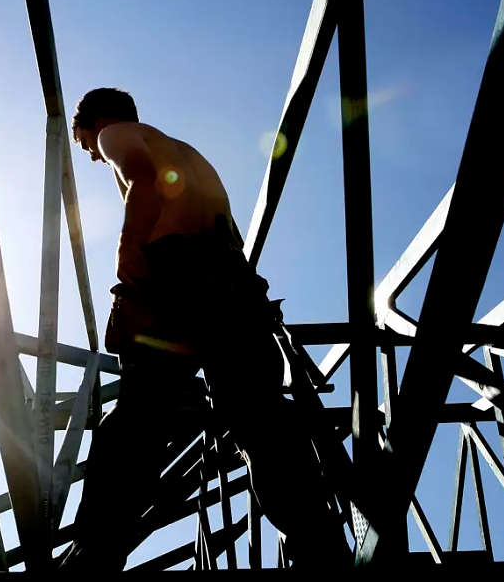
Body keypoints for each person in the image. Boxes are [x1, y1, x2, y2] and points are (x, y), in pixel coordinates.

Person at [58, 88, 348, 569]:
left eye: (85, 143)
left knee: (137, 423)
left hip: (175, 285)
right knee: (261, 420)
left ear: (98, 120)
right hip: (234, 288)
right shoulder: (191, 155)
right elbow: (229, 234)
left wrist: (128, 251)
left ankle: (94, 555)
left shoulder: (117, 133)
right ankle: (318, 542)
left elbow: (143, 182)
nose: (92, 154)